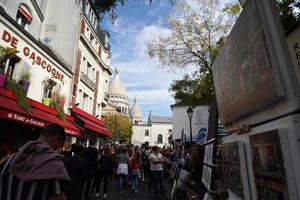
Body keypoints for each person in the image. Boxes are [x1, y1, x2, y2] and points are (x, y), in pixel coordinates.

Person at [0, 123, 70, 200]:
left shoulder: (9, 160)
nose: (56, 151)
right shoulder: (55, 165)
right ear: (54, 139)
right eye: (57, 147)